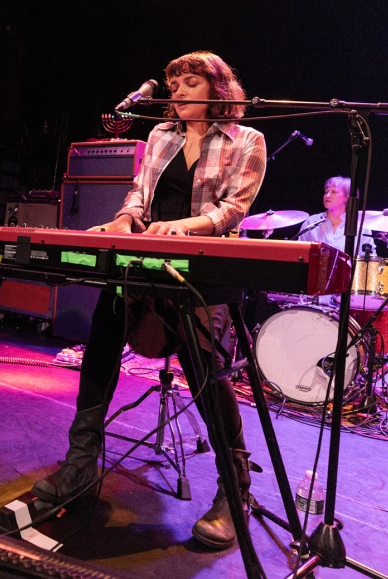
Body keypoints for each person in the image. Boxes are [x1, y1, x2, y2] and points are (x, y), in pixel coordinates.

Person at [31, 51, 267, 550]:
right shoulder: (159, 136)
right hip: (144, 260)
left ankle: (235, 489)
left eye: (190, 81)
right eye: (173, 82)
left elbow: (232, 210)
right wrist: (123, 220)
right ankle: (79, 466)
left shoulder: (248, 140)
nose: (177, 90)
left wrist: (180, 227)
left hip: (204, 270)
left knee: (204, 369)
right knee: (101, 339)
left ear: (217, 89)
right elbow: (139, 197)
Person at [296, 176, 372, 255]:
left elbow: (369, 259)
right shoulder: (311, 222)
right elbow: (299, 252)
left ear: (347, 197)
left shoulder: (361, 226)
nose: (327, 195)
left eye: (333, 192)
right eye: (326, 192)